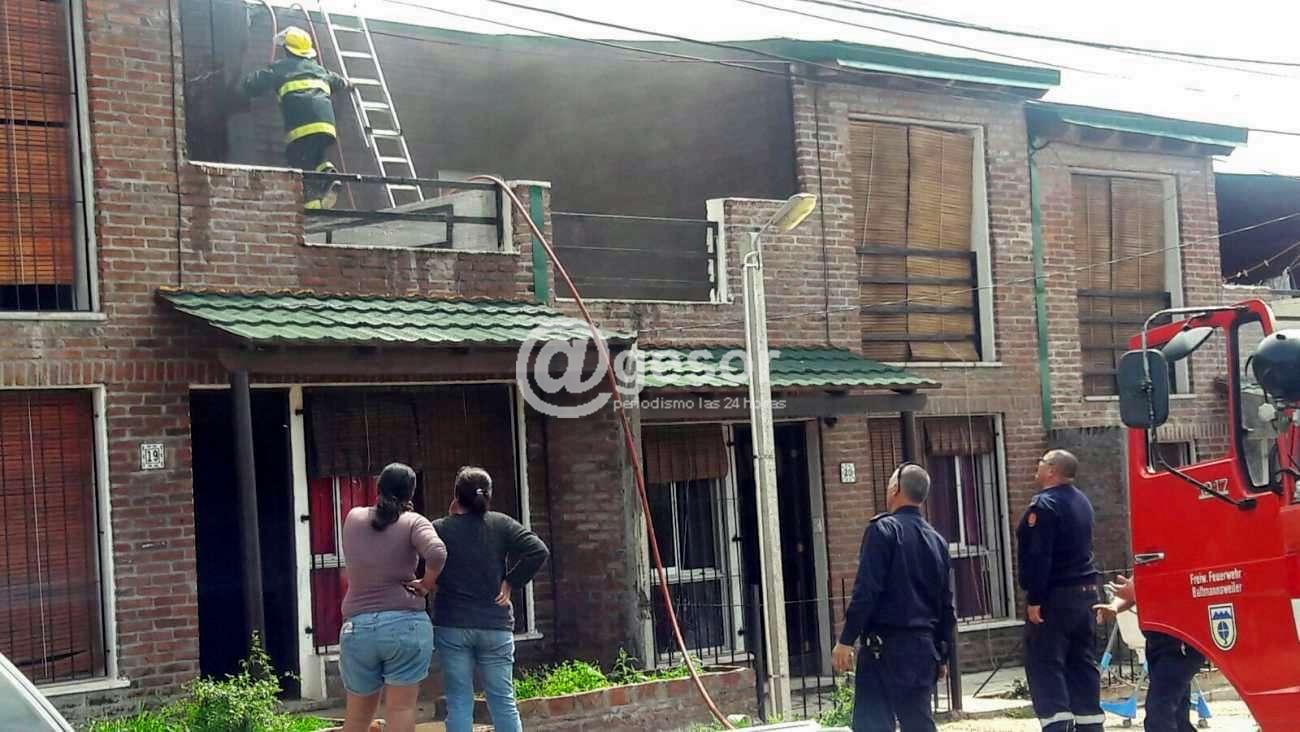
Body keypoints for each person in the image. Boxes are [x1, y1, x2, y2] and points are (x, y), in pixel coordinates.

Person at [831, 462, 956, 732]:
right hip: (923, 648)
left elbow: (867, 591)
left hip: (885, 648)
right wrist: (942, 655)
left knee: (873, 724)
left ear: (895, 489)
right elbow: (946, 605)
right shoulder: (937, 541)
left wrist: (846, 640)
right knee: (918, 723)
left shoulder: (883, 530)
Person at [433, 467, 550, 732]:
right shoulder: (501, 524)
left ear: (456, 496)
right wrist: (511, 581)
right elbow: (538, 550)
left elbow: (423, 558)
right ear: (489, 495)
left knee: (459, 701)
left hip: (453, 623)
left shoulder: (439, 529)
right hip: (495, 623)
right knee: (502, 700)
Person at [338, 463, 446, 732]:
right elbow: (437, 552)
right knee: (400, 710)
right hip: (404, 625)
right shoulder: (413, 522)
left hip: (358, 628)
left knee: (357, 719)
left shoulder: (353, 517)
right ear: (411, 492)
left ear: (378, 487)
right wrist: (426, 584)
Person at [1017, 449, 1105, 732]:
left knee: (1046, 664)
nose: (1038, 466)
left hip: (1056, 597)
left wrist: (1035, 598)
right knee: (1082, 663)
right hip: (1086, 594)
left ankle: (1058, 725)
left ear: (1052, 470)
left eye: (1042, 462)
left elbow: (1039, 556)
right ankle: (1091, 724)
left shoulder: (1044, 506)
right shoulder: (1082, 501)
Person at [239, 26, 350, 209]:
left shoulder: (280, 68)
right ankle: (329, 174)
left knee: (299, 163)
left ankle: (312, 208)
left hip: (301, 128)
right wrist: (348, 83)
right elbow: (339, 81)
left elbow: (254, 83)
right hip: (326, 126)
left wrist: (243, 85)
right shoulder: (319, 70)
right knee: (315, 156)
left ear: (287, 49)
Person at [1094, 574, 1207, 732]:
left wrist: (1138, 593)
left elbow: (1177, 593)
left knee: (1159, 713)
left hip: (1178, 645)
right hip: (1158, 645)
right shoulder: (1149, 562)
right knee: (1176, 714)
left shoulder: (1175, 562)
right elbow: (1134, 586)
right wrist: (1115, 606)